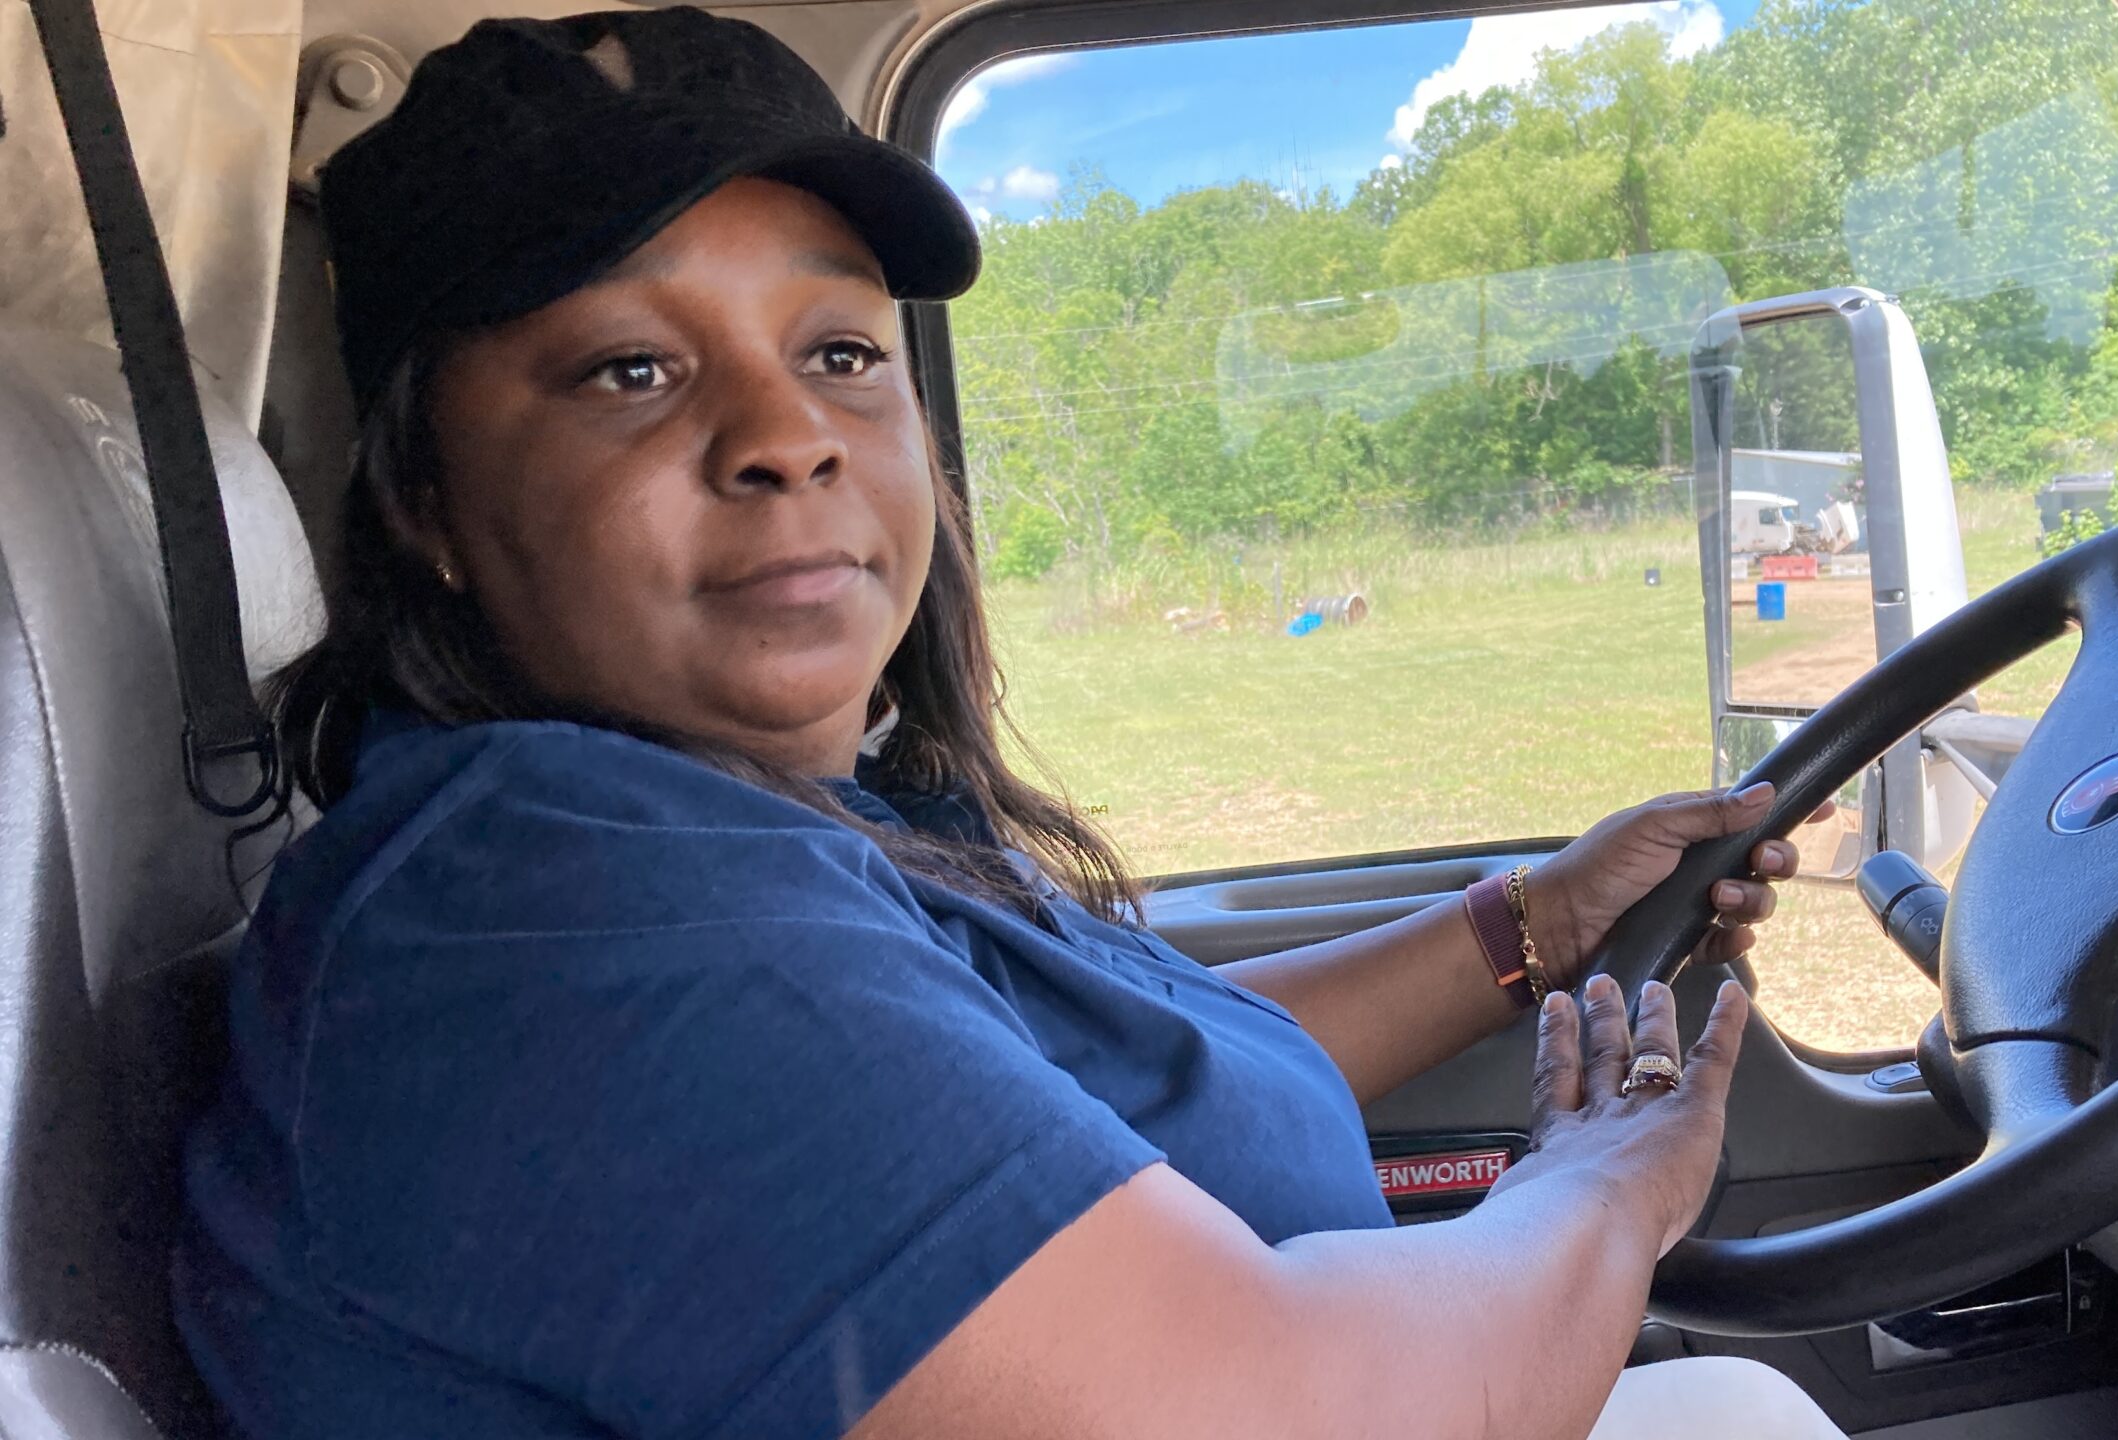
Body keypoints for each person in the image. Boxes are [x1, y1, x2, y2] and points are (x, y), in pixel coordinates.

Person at [173, 10, 1851, 1438]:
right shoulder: (552, 912)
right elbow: (1300, 1411)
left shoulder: (780, 816)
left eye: (840, 350)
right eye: (629, 369)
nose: (786, 435)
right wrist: (1605, 1189)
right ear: (426, 505)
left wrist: (1535, 925)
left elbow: (1120, 1075)